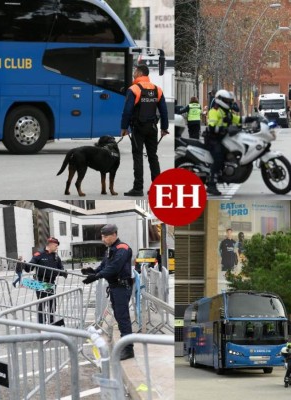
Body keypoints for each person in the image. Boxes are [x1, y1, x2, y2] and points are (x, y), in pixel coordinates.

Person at [81, 224, 135, 360]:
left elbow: (114, 268)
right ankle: (124, 345)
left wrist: (96, 276)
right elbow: (104, 266)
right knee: (119, 316)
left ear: (114, 234)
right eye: (102, 236)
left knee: (123, 318)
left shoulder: (122, 248)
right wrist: (93, 271)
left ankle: (128, 349)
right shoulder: (110, 249)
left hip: (122, 287)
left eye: (105, 236)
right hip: (115, 287)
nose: (103, 239)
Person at [121, 64, 169, 197]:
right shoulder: (157, 89)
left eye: (135, 71)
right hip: (152, 128)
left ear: (140, 73)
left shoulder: (134, 89)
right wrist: (164, 128)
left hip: (138, 128)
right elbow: (164, 111)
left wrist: (124, 127)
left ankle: (138, 188)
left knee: (138, 156)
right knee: (153, 157)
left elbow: (127, 111)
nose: (133, 73)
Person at [25, 237, 68, 325]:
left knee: (52, 305)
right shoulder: (39, 254)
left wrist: (63, 273)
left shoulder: (56, 256)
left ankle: (51, 323)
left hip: (50, 283)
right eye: (56, 246)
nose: (57, 248)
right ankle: (42, 325)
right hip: (40, 283)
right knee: (42, 305)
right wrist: (24, 265)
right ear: (51, 245)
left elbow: (61, 269)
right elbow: (30, 267)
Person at [206, 89, 241, 196]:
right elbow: (212, 127)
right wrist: (224, 130)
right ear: (221, 100)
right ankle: (211, 185)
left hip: (222, 139)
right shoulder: (214, 111)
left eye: (230, 101)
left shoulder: (226, 112)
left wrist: (254, 119)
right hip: (213, 140)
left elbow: (238, 119)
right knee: (219, 158)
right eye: (227, 101)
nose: (229, 103)